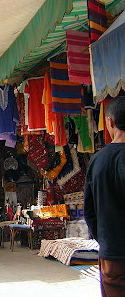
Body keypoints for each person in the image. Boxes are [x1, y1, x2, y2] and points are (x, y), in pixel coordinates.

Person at [84, 96, 125, 296]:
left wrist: (105, 241)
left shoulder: (97, 161)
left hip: (112, 256)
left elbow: (89, 212)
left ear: (109, 122)